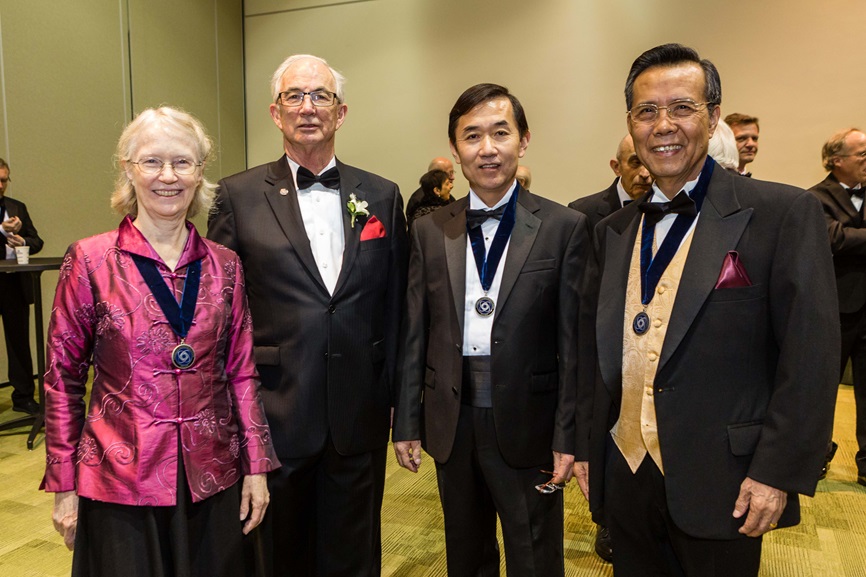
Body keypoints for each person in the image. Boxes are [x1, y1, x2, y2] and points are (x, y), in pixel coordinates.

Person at [576, 44, 839, 577]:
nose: (663, 125)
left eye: (682, 107)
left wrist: (777, 472)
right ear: (631, 122)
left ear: (713, 115)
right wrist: (587, 450)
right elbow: (595, 354)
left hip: (728, 480)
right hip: (626, 473)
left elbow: (811, 357)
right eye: (647, 111)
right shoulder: (612, 232)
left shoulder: (782, 214)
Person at [41, 106, 279, 577]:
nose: (167, 176)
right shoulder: (90, 261)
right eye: (151, 162)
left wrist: (256, 466)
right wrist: (65, 485)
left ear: (199, 173)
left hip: (211, 479)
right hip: (119, 483)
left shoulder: (225, 264)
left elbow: (242, 371)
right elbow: (61, 380)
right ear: (128, 170)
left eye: (182, 162)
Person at [207, 54, 408, 576]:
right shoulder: (236, 196)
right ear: (276, 113)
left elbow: (396, 310)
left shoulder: (382, 195)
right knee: (277, 555)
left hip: (357, 412)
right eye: (294, 96)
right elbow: (221, 314)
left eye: (320, 96)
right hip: (274, 411)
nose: (308, 107)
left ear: (341, 112)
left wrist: (398, 402)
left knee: (353, 554)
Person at [393, 83, 595, 577]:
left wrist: (571, 434)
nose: (487, 148)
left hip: (531, 421)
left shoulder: (564, 227)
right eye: (472, 136)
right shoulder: (429, 229)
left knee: (534, 551)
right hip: (452, 419)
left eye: (500, 133)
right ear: (456, 149)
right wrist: (407, 422)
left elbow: (575, 343)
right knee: (465, 549)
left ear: (523, 140)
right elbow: (414, 331)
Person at [568, 133, 652, 563]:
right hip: (603, 354)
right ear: (615, 166)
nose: (644, 172)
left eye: (646, 163)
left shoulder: (667, 212)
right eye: (633, 162)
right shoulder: (583, 215)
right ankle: (607, 523)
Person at [809, 128, 866, 487]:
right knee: (821, 389)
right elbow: (834, 238)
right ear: (836, 160)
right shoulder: (815, 198)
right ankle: (813, 456)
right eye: (862, 154)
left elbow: (847, 238)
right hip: (836, 309)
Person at [0, 158, 43, 414]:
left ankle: (24, 397)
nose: (1, 185)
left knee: (19, 342)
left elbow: (37, 241)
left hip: (14, 283)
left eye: (4, 180)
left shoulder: (17, 207)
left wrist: (21, 241)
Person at [569, 134, 652, 232]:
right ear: (617, 167)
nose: (645, 173)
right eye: (636, 162)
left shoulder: (670, 209)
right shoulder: (582, 212)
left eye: (651, 163)